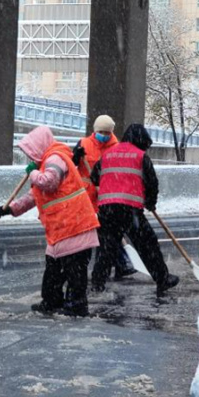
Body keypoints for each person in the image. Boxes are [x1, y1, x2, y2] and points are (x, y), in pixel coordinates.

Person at [0, 126, 99, 317]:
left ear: (39, 147)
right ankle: (52, 302)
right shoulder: (47, 162)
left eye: (31, 152)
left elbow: (49, 182)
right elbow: (34, 196)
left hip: (75, 226)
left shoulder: (55, 158)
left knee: (75, 274)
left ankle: (76, 307)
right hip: (61, 229)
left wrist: (33, 173)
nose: (30, 158)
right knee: (53, 271)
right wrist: (11, 209)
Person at [90, 123, 180, 297]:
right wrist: (150, 202)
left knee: (106, 249)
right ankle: (162, 278)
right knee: (148, 245)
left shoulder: (107, 154)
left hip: (107, 209)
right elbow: (152, 183)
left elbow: (94, 178)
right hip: (130, 210)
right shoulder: (140, 156)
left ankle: (97, 283)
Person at [72, 114, 136, 279]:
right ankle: (119, 264)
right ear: (95, 131)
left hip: (107, 197)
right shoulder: (84, 144)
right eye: (101, 132)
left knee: (107, 234)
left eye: (107, 132)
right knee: (93, 234)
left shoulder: (117, 147)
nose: (104, 135)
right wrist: (75, 157)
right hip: (86, 197)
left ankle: (113, 267)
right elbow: (72, 166)